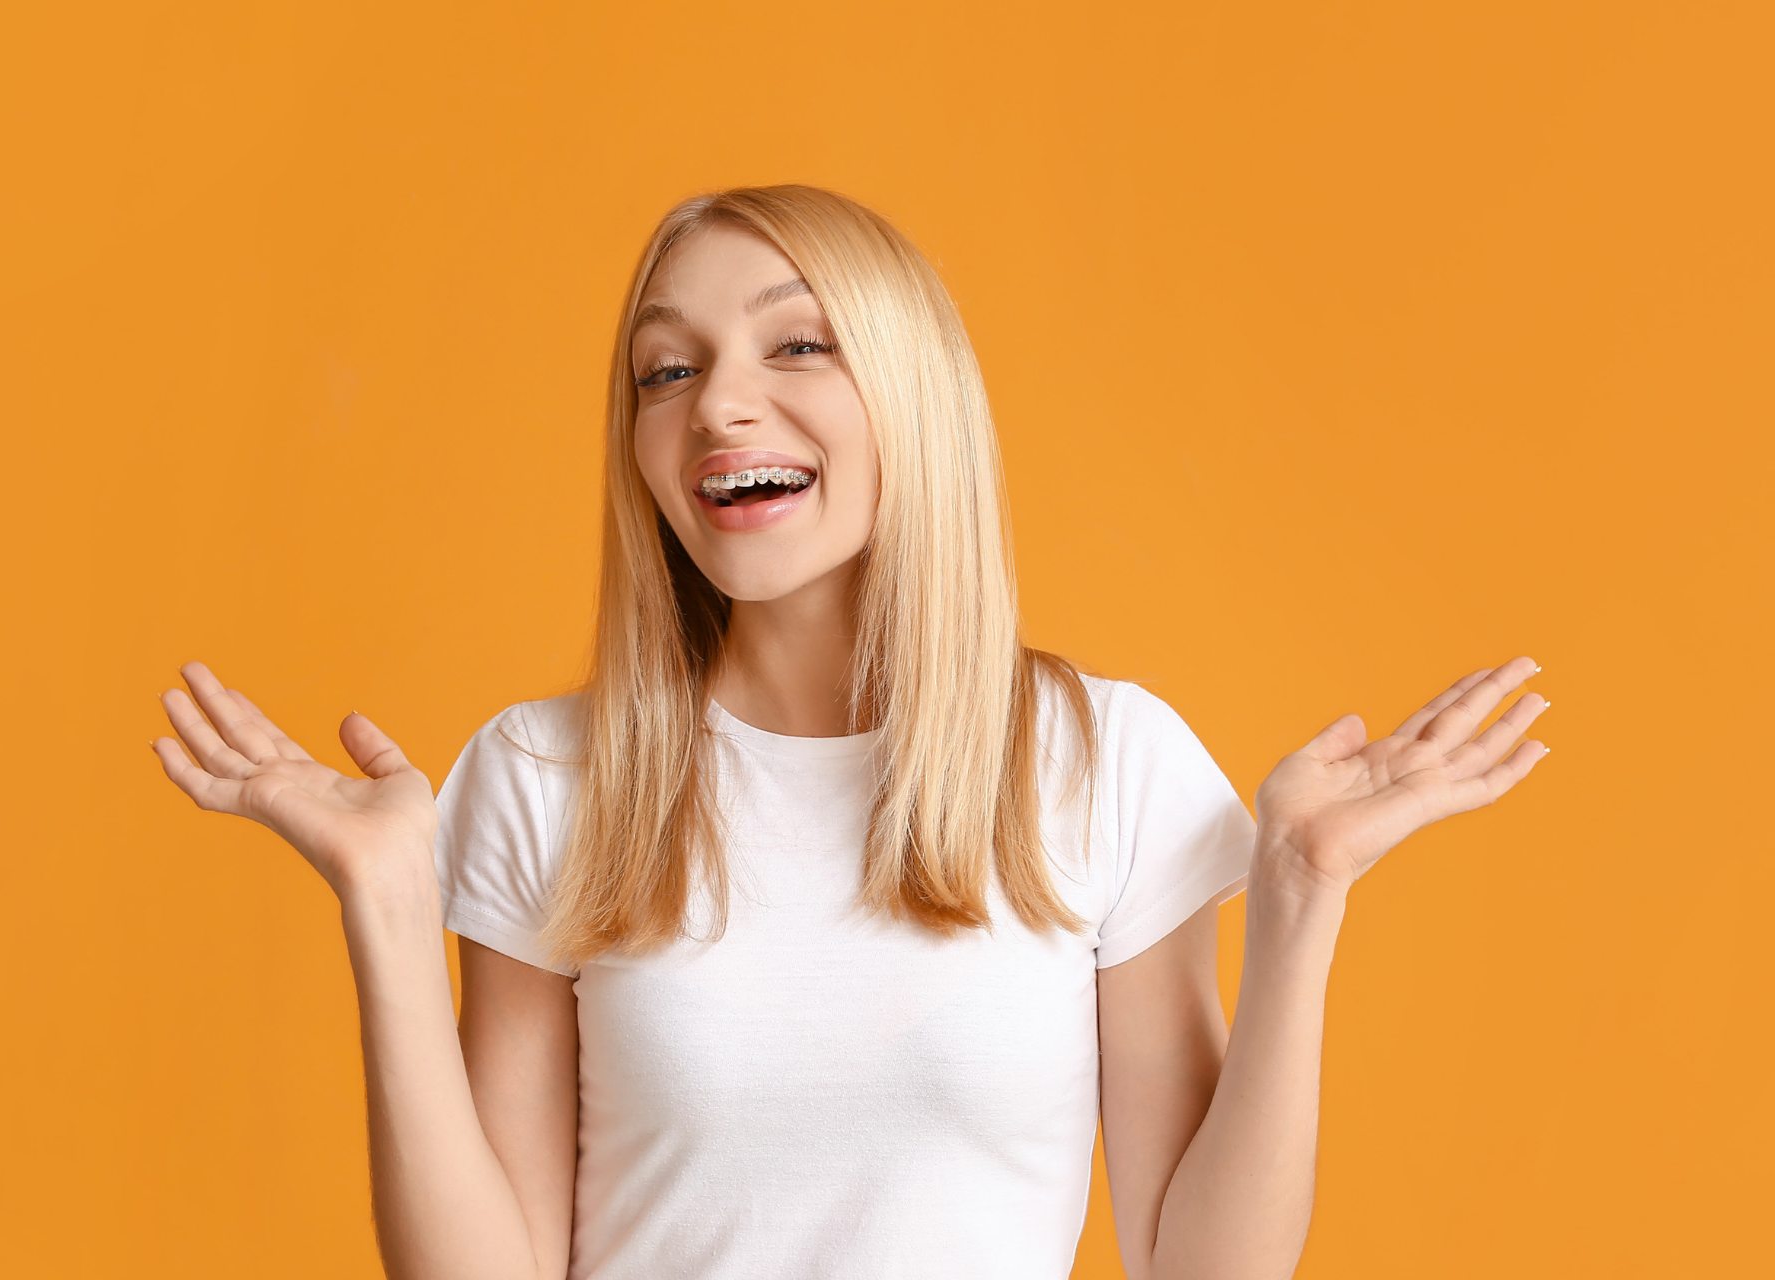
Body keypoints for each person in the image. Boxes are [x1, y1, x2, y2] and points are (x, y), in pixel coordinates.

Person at [151, 185, 1548, 1280]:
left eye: (796, 342)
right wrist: (392, 910)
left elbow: (1201, 1267)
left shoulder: (1102, 763)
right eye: (663, 370)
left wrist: (1299, 903)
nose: (720, 403)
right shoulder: (544, 779)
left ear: (911, 394)